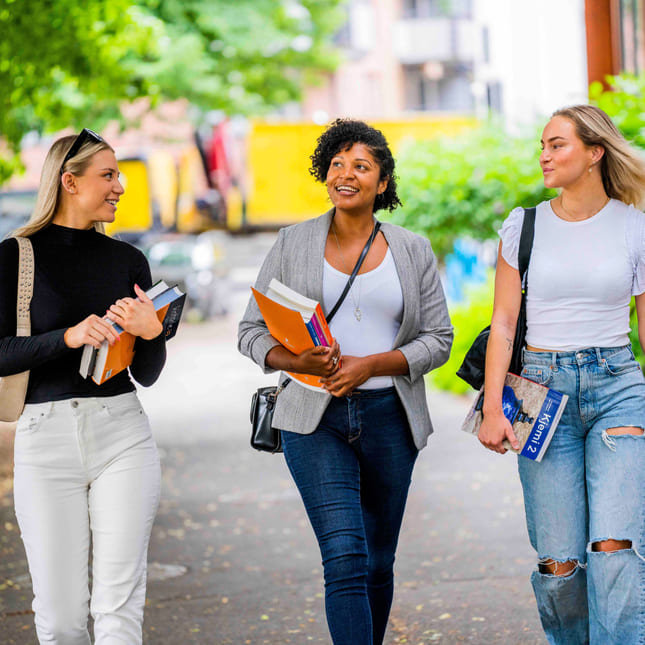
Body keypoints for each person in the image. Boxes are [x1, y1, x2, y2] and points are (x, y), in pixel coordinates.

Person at [238, 119, 453, 645]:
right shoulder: (292, 243)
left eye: (361, 166)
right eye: (336, 163)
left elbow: (439, 339)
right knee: (345, 555)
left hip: (390, 421)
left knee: (378, 562)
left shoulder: (412, 249)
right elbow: (249, 331)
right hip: (314, 420)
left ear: (382, 183)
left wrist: (371, 364)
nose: (345, 174)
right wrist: (297, 360)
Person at [478, 105, 645, 645]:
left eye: (558, 145)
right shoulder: (523, 225)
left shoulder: (635, 225)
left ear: (595, 152)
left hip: (617, 384)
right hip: (538, 392)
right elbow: (503, 323)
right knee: (559, 563)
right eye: (543, 146)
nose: (544, 156)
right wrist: (491, 408)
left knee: (616, 549)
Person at [0, 129, 166, 644]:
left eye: (119, 175)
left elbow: (147, 373)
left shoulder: (128, 262)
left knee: (119, 608)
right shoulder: (15, 257)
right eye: (109, 175)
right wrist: (67, 337)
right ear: (69, 182)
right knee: (61, 618)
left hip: (122, 435)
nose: (120, 186)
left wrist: (152, 332)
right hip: (44, 439)